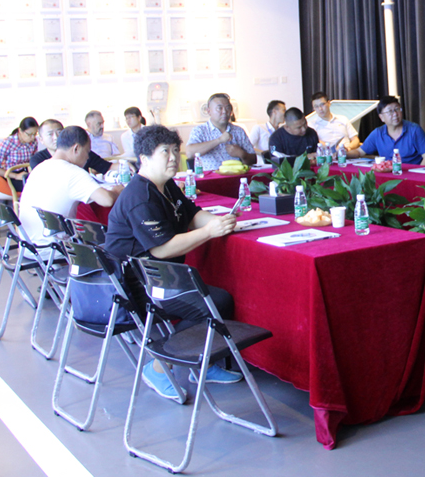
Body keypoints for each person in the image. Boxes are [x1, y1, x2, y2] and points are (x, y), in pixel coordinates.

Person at [104, 124, 242, 399]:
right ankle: (159, 366)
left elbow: (192, 214)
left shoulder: (165, 185)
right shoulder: (140, 197)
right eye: (164, 152)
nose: (173, 157)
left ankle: (201, 363)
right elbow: (162, 249)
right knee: (214, 303)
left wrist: (219, 222)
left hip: (162, 275)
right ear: (144, 158)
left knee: (219, 299)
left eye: (175, 151)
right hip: (139, 285)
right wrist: (208, 232)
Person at [19, 126, 122, 250]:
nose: (88, 158)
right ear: (76, 148)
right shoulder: (73, 173)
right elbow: (107, 200)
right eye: (87, 152)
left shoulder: (40, 168)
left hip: (29, 247)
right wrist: (116, 191)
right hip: (55, 249)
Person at [349, 96, 425, 166]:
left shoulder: (414, 130)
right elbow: (359, 152)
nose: (395, 114)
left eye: (397, 109)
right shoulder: (378, 133)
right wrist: (343, 154)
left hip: (411, 174)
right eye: (390, 111)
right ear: (381, 117)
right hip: (388, 174)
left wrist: (417, 176)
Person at [186, 93, 255, 170]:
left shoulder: (239, 131)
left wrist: (241, 154)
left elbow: (254, 160)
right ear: (209, 111)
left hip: (237, 175)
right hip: (211, 176)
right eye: (219, 108)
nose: (224, 111)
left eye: (227, 108)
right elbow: (189, 153)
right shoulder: (200, 130)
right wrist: (219, 140)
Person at [30, 119, 117, 175]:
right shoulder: (37, 160)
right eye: (50, 134)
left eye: (59, 132)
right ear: (41, 139)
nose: (56, 137)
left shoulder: (80, 151)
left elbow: (107, 166)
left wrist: (123, 166)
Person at [0, 117, 40, 193]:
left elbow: (33, 161)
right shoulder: (8, 142)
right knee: (33, 188)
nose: (32, 137)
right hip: (11, 176)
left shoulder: (34, 142)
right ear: (20, 130)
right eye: (29, 134)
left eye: (35, 134)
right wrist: (16, 176)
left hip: (25, 173)